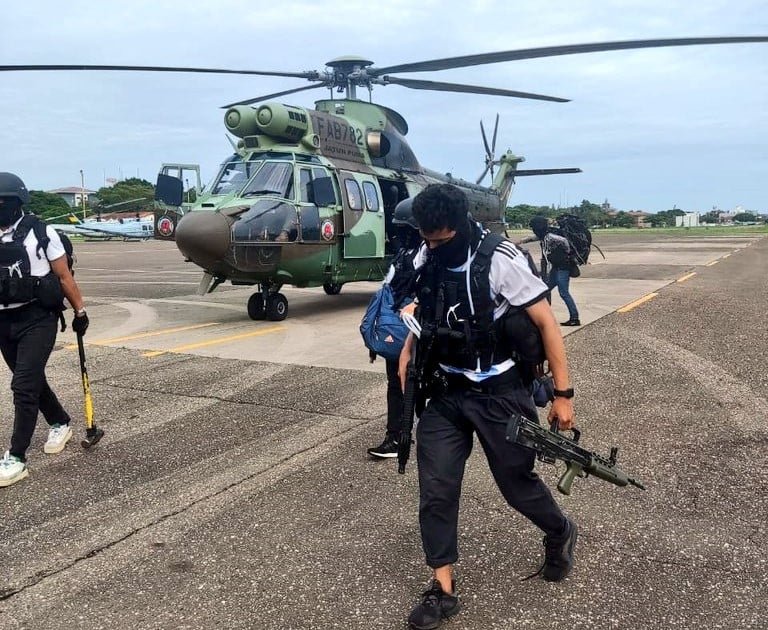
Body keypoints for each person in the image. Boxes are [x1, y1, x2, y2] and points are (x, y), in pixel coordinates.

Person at [401, 184, 577, 630]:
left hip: (500, 392)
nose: (432, 247)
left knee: (516, 484)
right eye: (426, 238)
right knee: (436, 488)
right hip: (445, 393)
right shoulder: (428, 253)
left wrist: (563, 395)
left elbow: (546, 324)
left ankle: (559, 530)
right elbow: (426, 308)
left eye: (440, 239)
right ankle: (442, 589)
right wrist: (407, 351)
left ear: (459, 226)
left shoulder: (500, 259)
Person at [0, 172, 90, 488]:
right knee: (31, 379)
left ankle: (16, 457)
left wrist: (80, 311)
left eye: (4, 202)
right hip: (4, 321)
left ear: (17, 204)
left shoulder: (42, 233)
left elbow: (64, 276)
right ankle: (60, 421)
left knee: (23, 385)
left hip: (38, 318)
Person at [367, 198, 422, 458]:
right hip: (399, 329)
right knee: (396, 382)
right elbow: (387, 293)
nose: (400, 233)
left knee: (414, 382)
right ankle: (397, 436)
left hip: (421, 329)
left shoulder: (427, 256)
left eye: (404, 228)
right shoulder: (403, 255)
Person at [519, 216, 580, 326]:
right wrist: (518, 242)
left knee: (564, 293)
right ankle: (544, 316)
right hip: (556, 268)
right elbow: (531, 238)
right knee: (545, 289)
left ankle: (575, 318)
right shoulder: (544, 236)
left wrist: (565, 254)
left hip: (562, 268)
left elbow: (565, 242)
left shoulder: (550, 237)